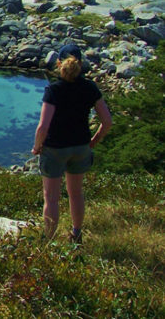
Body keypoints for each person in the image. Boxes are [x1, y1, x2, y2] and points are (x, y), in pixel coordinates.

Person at [32, 44, 111, 243]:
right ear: (81, 63)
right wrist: (94, 140)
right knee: (76, 193)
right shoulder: (90, 88)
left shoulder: (54, 89)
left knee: (50, 197)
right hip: (81, 146)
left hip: (55, 148)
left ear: (59, 63)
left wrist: (36, 147)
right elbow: (107, 122)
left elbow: (42, 127)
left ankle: (48, 240)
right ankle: (76, 233)